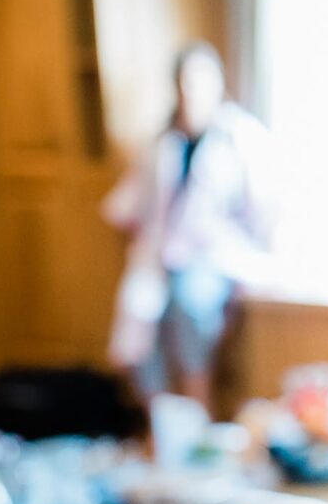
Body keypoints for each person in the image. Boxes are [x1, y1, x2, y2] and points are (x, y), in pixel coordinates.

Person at [102, 41, 281, 408]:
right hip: (162, 255)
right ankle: (161, 421)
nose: (193, 91)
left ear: (218, 83)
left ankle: (198, 408)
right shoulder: (162, 142)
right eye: (186, 82)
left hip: (216, 256)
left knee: (189, 304)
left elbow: (265, 208)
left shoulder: (239, 137)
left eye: (202, 81)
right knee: (140, 314)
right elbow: (128, 205)